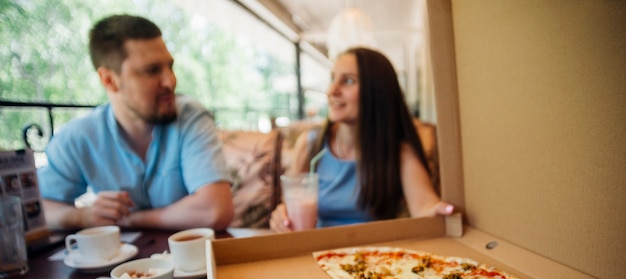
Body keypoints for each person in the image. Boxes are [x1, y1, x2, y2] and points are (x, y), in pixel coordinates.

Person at [38, 14, 234, 231]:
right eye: (152, 71)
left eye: (170, 66)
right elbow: (35, 211)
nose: (170, 81)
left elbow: (215, 211)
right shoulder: (79, 136)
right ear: (109, 80)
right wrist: (82, 217)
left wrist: (128, 220)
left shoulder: (190, 117)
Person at [269, 47, 453, 232]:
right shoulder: (310, 143)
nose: (332, 90)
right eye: (333, 79)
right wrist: (281, 217)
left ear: (377, 92)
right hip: (316, 251)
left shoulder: (397, 152)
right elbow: (290, 203)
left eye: (348, 81)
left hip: (373, 255)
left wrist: (436, 211)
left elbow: (424, 205)